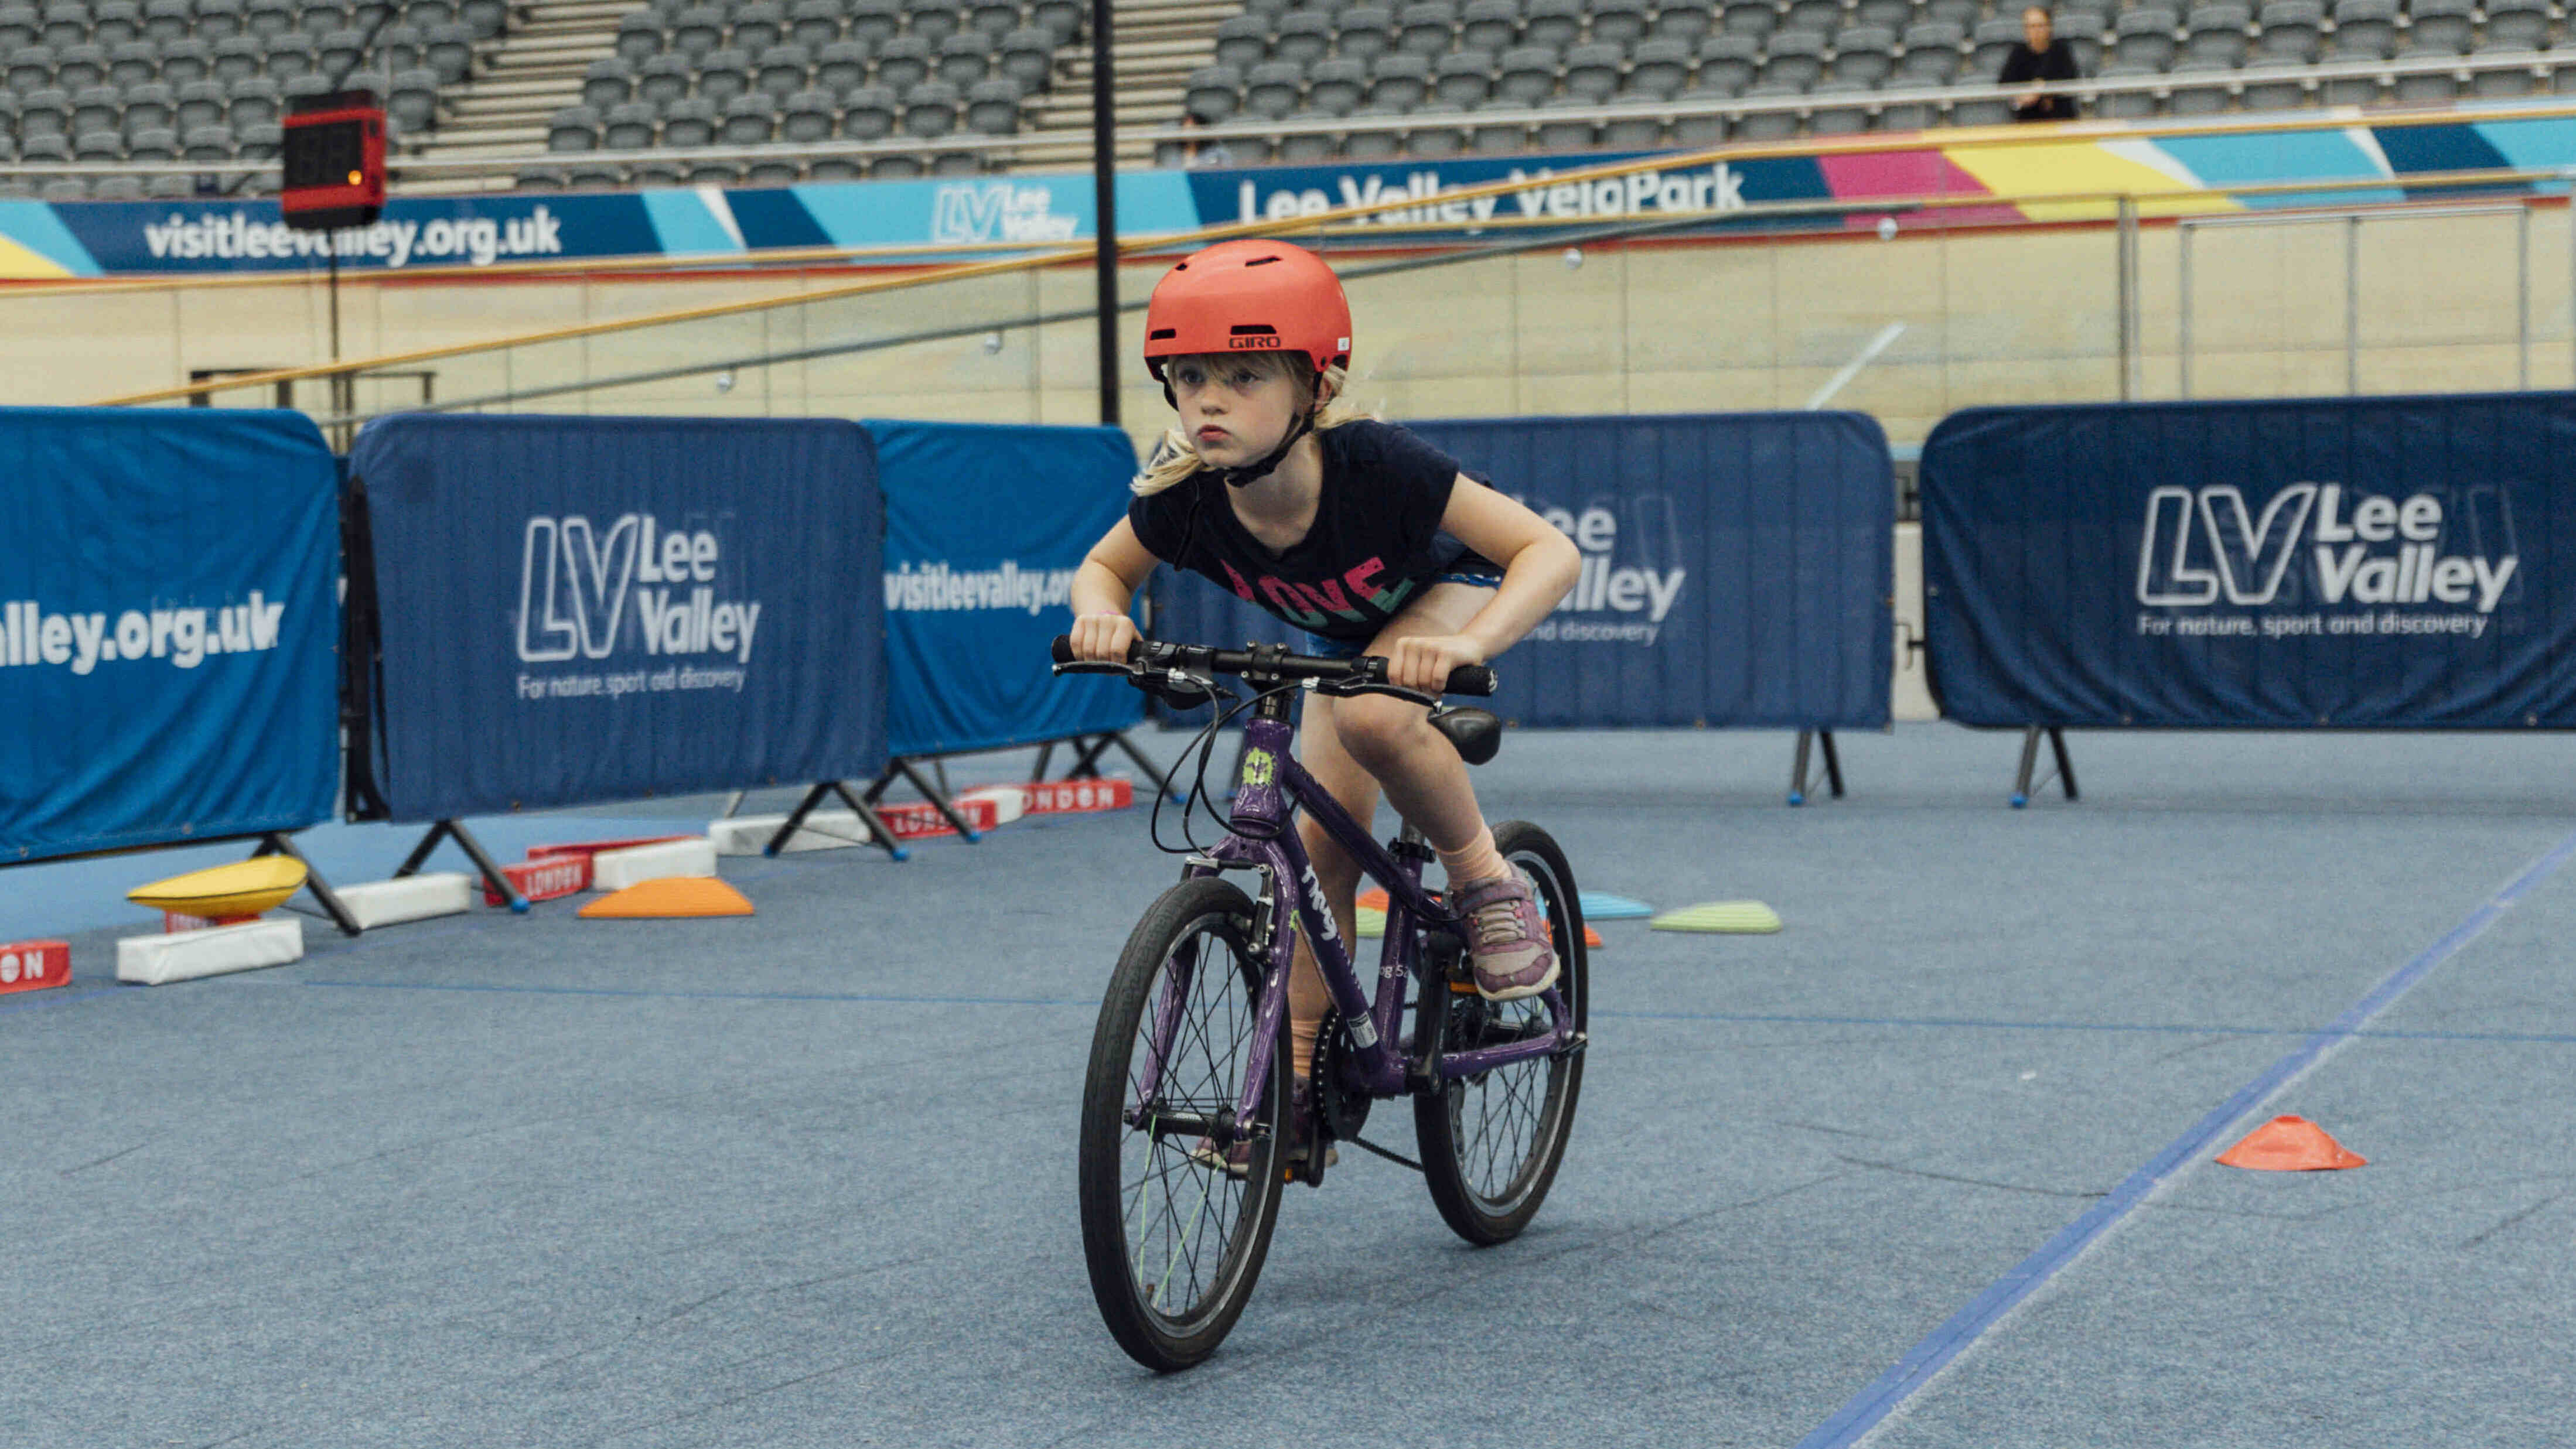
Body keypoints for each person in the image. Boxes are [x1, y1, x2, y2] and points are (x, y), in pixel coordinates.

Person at [1066, 239, 1582, 1173]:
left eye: (1243, 374)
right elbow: (1105, 569)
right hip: (1342, 643)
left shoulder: (1375, 465)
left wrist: (1469, 644)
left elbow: (1546, 550)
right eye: (1187, 378)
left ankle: (1482, 881)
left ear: (1316, 385)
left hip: (1446, 596)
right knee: (1314, 857)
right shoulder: (1185, 495)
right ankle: (1297, 1087)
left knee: (1380, 716)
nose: (1208, 400)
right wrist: (1101, 617)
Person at [1998, 5, 2080, 122]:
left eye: (2040, 26)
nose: (2036, 31)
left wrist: (2043, 88)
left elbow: (2071, 78)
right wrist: (2024, 96)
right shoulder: (2018, 53)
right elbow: (2005, 83)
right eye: (2031, 27)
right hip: (2028, 120)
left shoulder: (2061, 50)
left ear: (2049, 27)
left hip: (2061, 117)